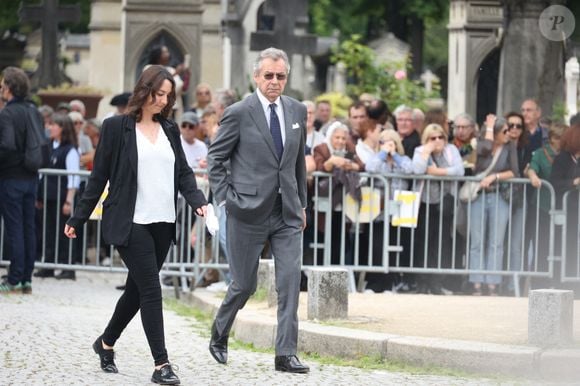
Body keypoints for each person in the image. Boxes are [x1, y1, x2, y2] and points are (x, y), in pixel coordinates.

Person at [64, 65, 208, 385]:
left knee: (136, 289)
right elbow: (98, 176)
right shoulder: (116, 127)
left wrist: (197, 200)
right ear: (144, 91)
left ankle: (105, 343)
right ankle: (161, 365)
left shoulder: (170, 129)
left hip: (163, 221)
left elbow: (183, 172)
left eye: (168, 96)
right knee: (152, 290)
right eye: (158, 94)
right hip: (131, 221)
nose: (162, 101)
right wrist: (78, 216)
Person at [206, 47, 310, 373]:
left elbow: (296, 165)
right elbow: (216, 159)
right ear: (256, 77)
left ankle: (285, 354)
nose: (275, 82)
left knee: (290, 282)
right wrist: (225, 199)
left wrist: (302, 204)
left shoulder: (296, 111)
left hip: (286, 212)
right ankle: (220, 332)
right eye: (269, 76)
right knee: (244, 284)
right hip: (246, 210)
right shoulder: (239, 112)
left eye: (280, 76)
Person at [0, 67, 43, 294]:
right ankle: (26, 278)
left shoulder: (7, 113)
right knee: (28, 228)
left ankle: (14, 279)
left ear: (9, 87)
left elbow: (6, 145)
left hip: (11, 177)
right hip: (31, 176)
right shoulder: (33, 110)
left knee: (15, 229)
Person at [468, 115, 519, 296]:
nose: (510, 132)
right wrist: (489, 127)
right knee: (477, 241)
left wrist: (494, 177)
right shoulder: (483, 144)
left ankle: (493, 283)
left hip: (498, 196)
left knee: (496, 242)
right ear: (495, 132)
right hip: (479, 196)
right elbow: (486, 148)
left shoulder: (510, 146)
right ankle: (476, 283)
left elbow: (514, 171)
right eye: (505, 130)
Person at [412, 123, 464, 294]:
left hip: (445, 200)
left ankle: (437, 281)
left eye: (440, 137)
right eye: (432, 138)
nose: (437, 141)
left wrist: (436, 172)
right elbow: (417, 170)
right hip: (425, 202)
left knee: (441, 242)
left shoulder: (451, 150)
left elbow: (459, 170)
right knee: (423, 242)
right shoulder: (420, 151)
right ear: (426, 139)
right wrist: (426, 152)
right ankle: (421, 281)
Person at [34, 113, 80, 280]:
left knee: (65, 233)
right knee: (48, 232)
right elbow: (42, 173)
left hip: (62, 198)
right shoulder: (49, 147)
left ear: (63, 129)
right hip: (48, 197)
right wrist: (39, 195)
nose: (50, 127)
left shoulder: (70, 150)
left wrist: (69, 200)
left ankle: (68, 266)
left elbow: (73, 177)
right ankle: (49, 264)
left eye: (54, 125)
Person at [527, 122, 565, 288]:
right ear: (551, 139)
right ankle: (538, 283)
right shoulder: (541, 154)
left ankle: (557, 281)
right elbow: (532, 167)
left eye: (563, 137)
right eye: (558, 137)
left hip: (562, 207)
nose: (561, 141)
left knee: (560, 245)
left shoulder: (567, 155)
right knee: (541, 244)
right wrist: (533, 176)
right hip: (542, 206)